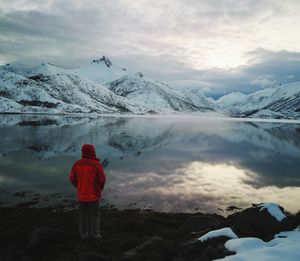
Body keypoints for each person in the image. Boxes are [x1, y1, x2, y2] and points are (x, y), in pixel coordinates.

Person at [69, 144, 106, 239]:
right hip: (94, 195)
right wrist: (99, 189)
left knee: (83, 215)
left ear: (83, 152)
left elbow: (72, 178)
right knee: (94, 215)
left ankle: (83, 234)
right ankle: (95, 234)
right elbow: (102, 180)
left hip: (82, 195)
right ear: (93, 152)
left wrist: (79, 186)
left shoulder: (77, 164)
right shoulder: (96, 165)